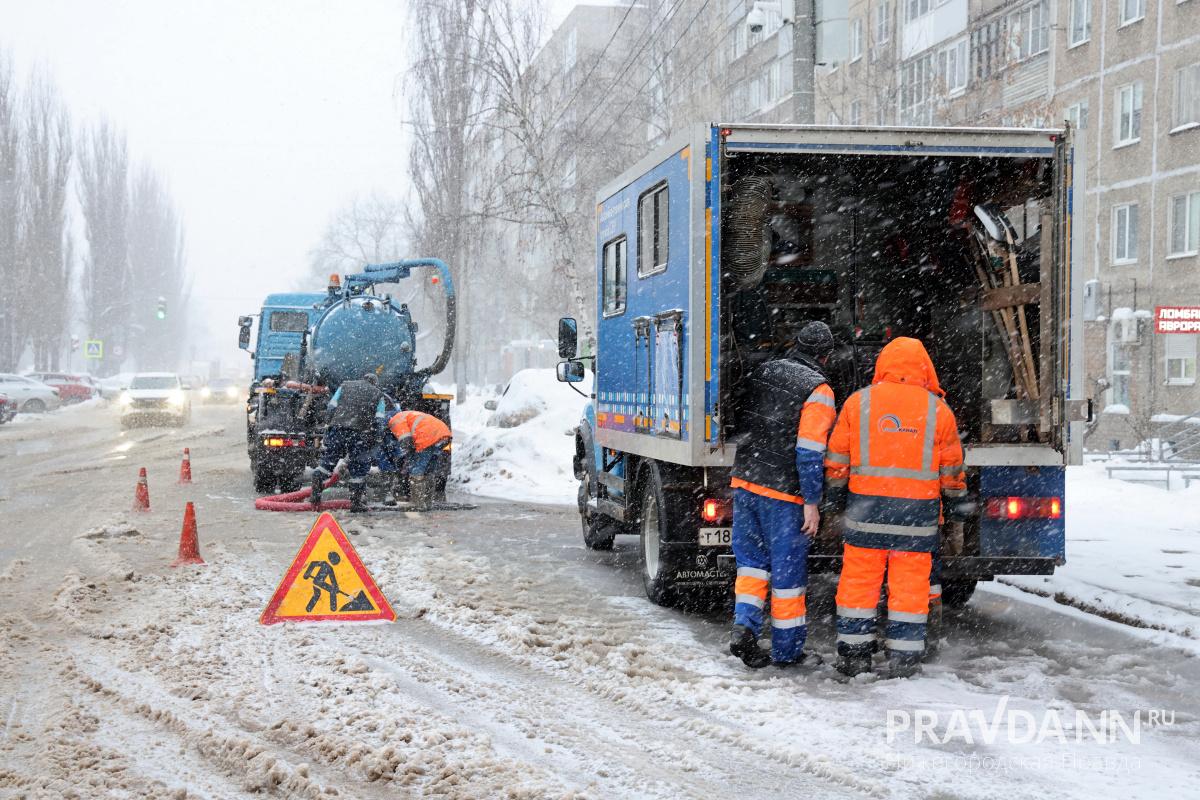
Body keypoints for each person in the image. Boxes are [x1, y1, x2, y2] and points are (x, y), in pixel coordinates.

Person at [824, 337, 966, 679]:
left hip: (865, 516)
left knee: (858, 585)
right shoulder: (938, 410)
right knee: (909, 591)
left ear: (883, 365)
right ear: (924, 368)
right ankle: (904, 659)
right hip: (916, 522)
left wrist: (835, 499)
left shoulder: (858, 403)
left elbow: (837, 461)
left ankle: (855, 656)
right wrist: (954, 506)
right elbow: (952, 470)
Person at [729, 321, 838, 669]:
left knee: (751, 567)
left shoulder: (765, 370)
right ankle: (787, 651)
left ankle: (744, 628)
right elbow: (809, 452)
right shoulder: (818, 390)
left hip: (746, 482)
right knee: (788, 578)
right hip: (784, 495)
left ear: (797, 345)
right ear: (826, 356)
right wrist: (812, 502)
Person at [311, 373, 387, 512]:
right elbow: (379, 419)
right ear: (375, 383)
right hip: (360, 433)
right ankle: (356, 503)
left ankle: (316, 491)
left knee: (328, 461)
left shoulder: (345, 386)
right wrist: (376, 437)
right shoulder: (378, 394)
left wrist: (329, 423)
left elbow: (331, 406)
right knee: (359, 467)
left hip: (338, 429)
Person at [386, 408, 452, 511]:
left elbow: (407, 441)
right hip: (443, 434)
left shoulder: (394, 421)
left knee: (417, 469)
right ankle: (427, 502)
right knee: (429, 470)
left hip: (427, 436)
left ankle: (418, 503)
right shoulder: (406, 415)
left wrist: (406, 461)